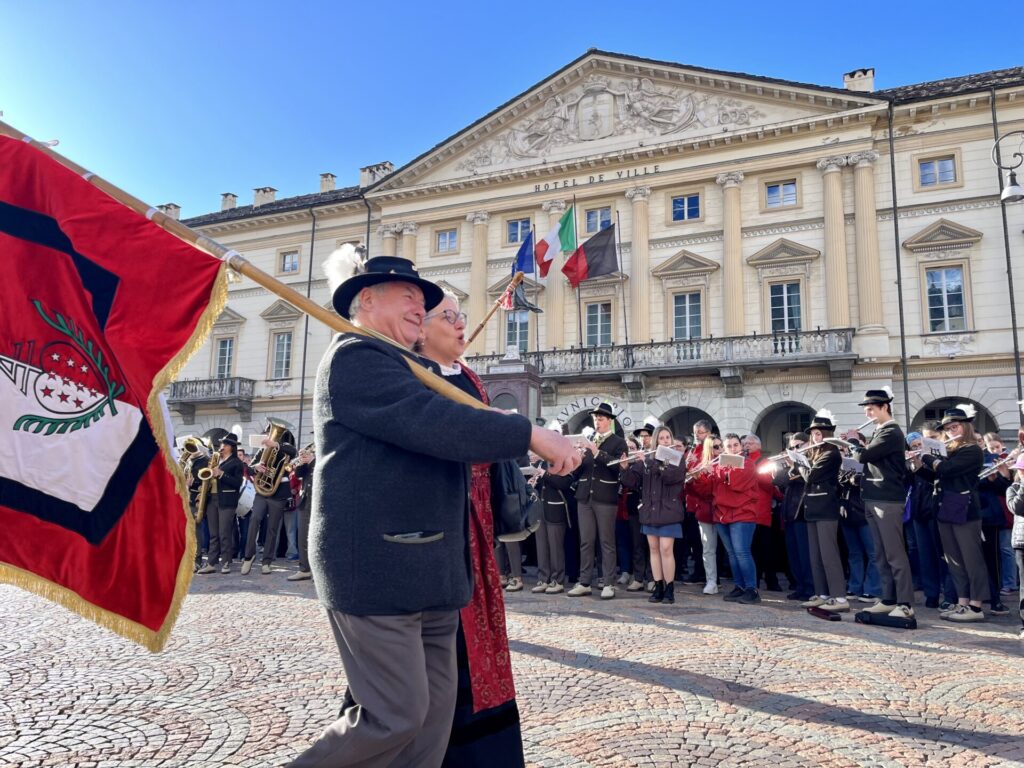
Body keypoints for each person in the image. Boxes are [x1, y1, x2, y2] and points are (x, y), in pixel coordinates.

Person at [287, 251, 578, 768]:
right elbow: (434, 423)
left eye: (424, 301)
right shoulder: (355, 357)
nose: (420, 309)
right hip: (379, 569)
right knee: (394, 714)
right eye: (408, 298)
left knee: (433, 720)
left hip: (436, 572)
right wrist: (531, 435)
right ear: (366, 299)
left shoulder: (414, 365)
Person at [418, 290, 531, 765]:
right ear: (418, 327)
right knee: (428, 665)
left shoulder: (468, 376)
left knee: (479, 651)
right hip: (433, 537)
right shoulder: (409, 374)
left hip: (476, 533)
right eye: (449, 316)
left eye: (462, 315)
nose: (462, 323)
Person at [912, 405, 988, 622]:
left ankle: (976, 605)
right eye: (948, 428)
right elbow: (937, 477)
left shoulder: (972, 450)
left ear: (964, 426)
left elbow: (947, 470)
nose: (952, 431)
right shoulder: (950, 450)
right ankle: (962, 602)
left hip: (964, 506)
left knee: (971, 558)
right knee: (953, 558)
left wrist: (927, 456)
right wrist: (918, 465)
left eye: (955, 427)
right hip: (945, 505)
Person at [852, 388, 915, 622]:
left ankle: (906, 603)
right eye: (866, 409)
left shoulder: (891, 431)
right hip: (874, 496)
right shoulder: (880, 430)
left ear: (884, 407)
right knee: (880, 554)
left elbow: (864, 456)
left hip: (887, 498)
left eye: (871, 409)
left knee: (894, 553)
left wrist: (852, 444)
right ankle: (888, 598)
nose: (867, 413)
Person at [568, 402, 628, 600]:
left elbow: (617, 468)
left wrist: (596, 452)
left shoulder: (619, 442)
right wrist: (576, 458)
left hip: (605, 497)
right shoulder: (588, 441)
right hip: (585, 496)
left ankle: (608, 582)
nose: (597, 422)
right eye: (595, 418)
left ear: (609, 421)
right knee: (586, 541)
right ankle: (584, 581)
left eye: (601, 419)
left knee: (607, 542)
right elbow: (577, 472)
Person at [620, 426, 686, 603]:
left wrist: (650, 463)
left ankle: (670, 587)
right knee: (654, 550)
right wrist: (625, 469)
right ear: (656, 440)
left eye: (668, 437)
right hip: (650, 510)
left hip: (669, 510)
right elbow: (632, 482)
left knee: (666, 549)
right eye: (662, 438)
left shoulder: (676, 459)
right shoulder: (647, 458)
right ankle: (658, 586)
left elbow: (671, 478)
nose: (665, 441)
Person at [797, 410, 850, 614]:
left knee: (829, 554)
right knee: (815, 555)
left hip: (826, 508)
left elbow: (811, 476)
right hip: (812, 508)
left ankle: (839, 596)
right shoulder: (815, 453)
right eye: (813, 434)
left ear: (827, 434)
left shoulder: (831, 453)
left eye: (818, 434)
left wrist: (799, 462)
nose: (814, 437)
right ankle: (822, 594)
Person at [240, 421, 297, 576]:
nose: (268, 436)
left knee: (272, 529)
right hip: (262, 493)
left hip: (278, 495)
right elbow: (248, 468)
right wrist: (256, 467)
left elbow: (294, 452)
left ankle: (267, 562)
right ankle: (248, 556)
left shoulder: (285, 448)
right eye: (268, 433)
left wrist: (276, 445)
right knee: (254, 520)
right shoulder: (262, 451)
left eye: (270, 433)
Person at [713, 433, 763, 605]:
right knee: (732, 554)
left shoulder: (747, 463)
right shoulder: (720, 464)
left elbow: (735, 483)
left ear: (741, 447)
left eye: (735, 445)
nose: (733, 449)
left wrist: (719, 470)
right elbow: (710, 487)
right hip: (722, 514)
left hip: (742, 514)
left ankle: (752, 589)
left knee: (742, 552)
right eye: (729, 446)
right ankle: (739, 586)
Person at [196, 432, 243, 574]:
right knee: (213, 533)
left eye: (225, 444)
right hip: (212, 499)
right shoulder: (217, 460)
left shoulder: (237, 463)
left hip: (227, 500)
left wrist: (221, 474)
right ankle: (211, 562)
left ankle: (226, 561)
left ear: (231, 447)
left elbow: (237, 483)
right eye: (222, 444)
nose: (222, 446)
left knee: (224, 532)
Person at [529, 448, 574, 594]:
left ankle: (557, 580)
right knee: (541, 545)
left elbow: (564, 483)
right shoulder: (541, 463)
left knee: (556, 547)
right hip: (540, 508)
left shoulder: (562, 463)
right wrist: (533, 481)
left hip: (555, 508)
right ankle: (543, 578)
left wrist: (545, 474)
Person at [287, 445, 315, 581]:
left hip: (319, 499)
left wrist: (313, 460)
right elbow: (298, 475)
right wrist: (301, 463)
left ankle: (319, 570)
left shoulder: (326, 449)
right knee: (302, 536)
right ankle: (304, 569)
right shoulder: (310, 451)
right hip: (305, 499)